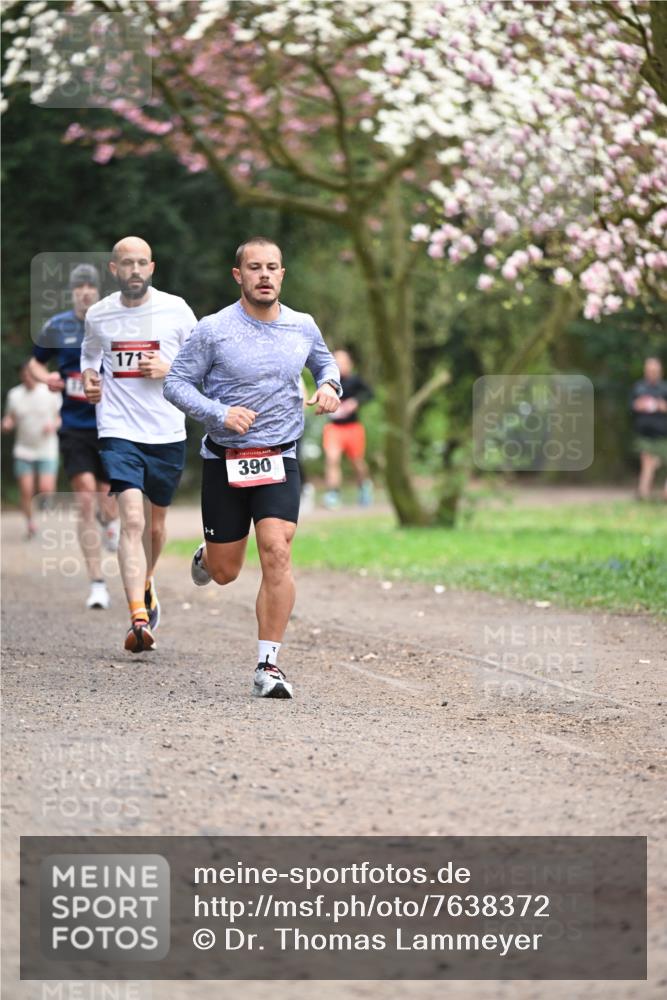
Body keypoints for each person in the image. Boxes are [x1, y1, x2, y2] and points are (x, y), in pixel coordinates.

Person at [164, 236, 341, 699]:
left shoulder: (302, 326)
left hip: (280, 455)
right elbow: (176, 384)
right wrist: (219, 414)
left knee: (277, 549)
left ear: (283, 274)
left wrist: (329, 388)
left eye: (273, 267)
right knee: (225, 572)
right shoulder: (213, 329)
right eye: (255, 268)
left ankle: (269, 665)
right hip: (225, 460)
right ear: (238, 275)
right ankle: (207, 556)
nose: (265, 275)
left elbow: (326, 365)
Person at [81, 236, 197, 653]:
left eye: (141, 263)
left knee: (156, 525)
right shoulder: (99, 314)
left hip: (166, 431)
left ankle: (146, 582)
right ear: (114, 270)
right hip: (118, 428)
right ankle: (137, 618)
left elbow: (201, 361)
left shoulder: (177, 310)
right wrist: (90, 378)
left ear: (152, 268)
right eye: (126, 263)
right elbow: (90, 354)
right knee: (131, 519)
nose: (134, 270)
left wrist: (169, 369)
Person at [29, 263, 120, 611]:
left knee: (106, 499)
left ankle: (110, 523)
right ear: (72, 292)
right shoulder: (58, 326)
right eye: (79, 287)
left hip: (110, 425)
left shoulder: (112, 322)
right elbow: (35, 364)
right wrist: (45, 377)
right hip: (74, 426)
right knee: (84, 496)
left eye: (90, 287)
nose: (85, 292)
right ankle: (97, 583)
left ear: (98, 291)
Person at [2, 363, 61, 538]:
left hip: (47, 447)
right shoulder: (14, 394)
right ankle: (30, 523)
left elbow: (60, 417)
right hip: (23, 449)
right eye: (24, 374)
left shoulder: (50, 392)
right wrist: (7, 424)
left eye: (31, 374)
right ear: (21, 375)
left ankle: (46, 502)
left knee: (45, 487)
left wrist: (53, 425)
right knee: (26, 490)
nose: (28, 377)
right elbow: (10, 417)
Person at [322, 348, 374, 509]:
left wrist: (355, 402)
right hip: (333, 428)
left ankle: (364, 486)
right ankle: (333, 493)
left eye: (343, 361)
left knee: (357, 462)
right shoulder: (328, 381)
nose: (339, 364)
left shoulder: (355, 380)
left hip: (353, 427)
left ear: (350, 364)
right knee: (332, 459)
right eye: (336, 361)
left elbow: (370, 394)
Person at [631, 356, 667, 500]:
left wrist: (659, 406)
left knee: (652, 462)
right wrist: (639, 405)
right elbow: (632, 406)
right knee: (647, 462)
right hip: (644, 434)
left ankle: (661, 494)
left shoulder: (664, 388)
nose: (652, 372)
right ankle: (643, 493)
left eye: (655, 370)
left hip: (663, 434)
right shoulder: (639, 387)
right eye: (649, 370)